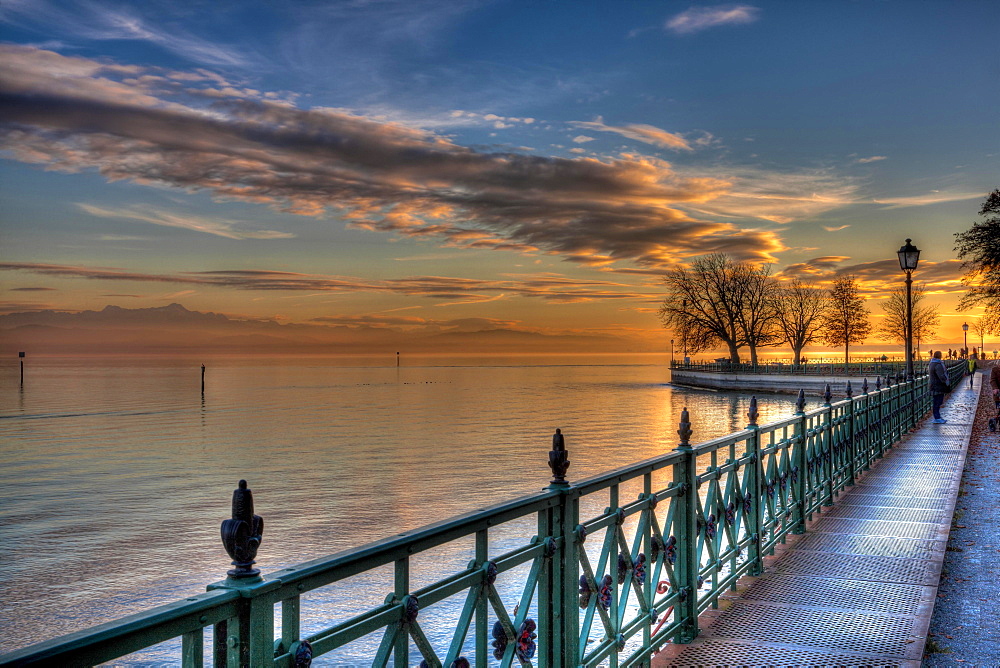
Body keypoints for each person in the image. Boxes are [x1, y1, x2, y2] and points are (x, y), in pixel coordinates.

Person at [928, 350, 950, 424]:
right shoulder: (938, 364)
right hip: (938, 385)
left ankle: (937, 417)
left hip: (934, 385)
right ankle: (937, 418)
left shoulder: (932, 363)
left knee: (936, 401)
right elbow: (941, 375)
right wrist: (946, 381)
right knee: (937, 401)